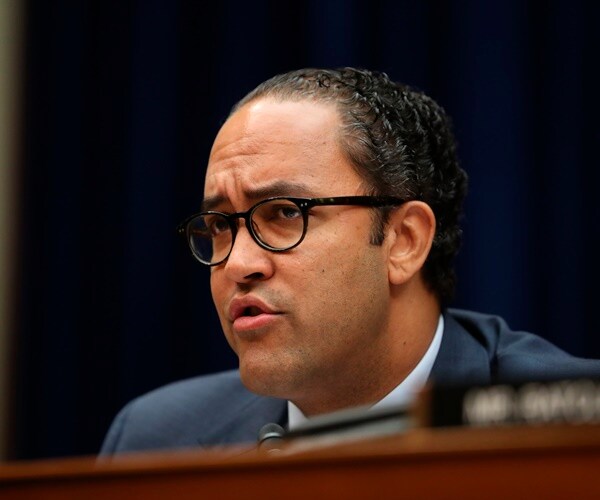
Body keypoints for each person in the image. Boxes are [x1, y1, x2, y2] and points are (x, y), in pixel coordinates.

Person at [100, 67, 600, 455]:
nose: (238, 264)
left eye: (284, 214)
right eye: (220, 226)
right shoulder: (154, 435)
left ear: (404, 241)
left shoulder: (574, 428)